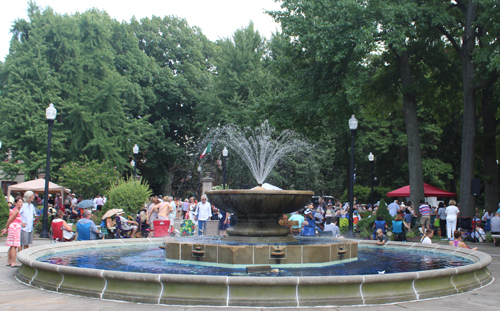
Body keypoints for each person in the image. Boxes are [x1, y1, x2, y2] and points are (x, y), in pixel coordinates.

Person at [1, 196, 23, 267]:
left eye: (22, 202)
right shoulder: (16, 211)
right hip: (15, 229)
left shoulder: (14, 210)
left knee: (12, 246)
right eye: (19, 202)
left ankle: (9, 261)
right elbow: (10, 220)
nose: (21, 203)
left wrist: (6, 229)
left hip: (13, 228)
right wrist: (6, 228)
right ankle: (13, 262)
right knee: (14, 246)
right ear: (15, 203)